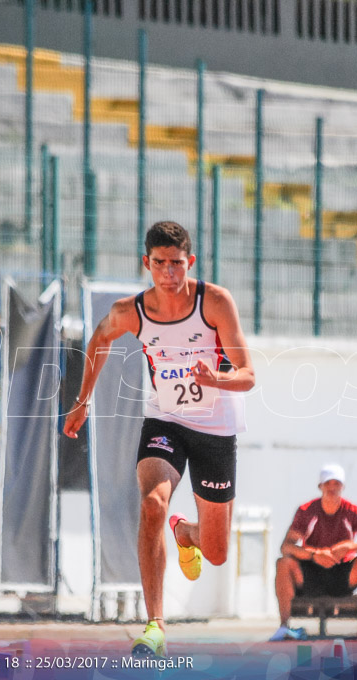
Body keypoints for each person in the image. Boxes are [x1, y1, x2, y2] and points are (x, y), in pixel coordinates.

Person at [63, 222, 255, 657]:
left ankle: (186, 534)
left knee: (218, 552)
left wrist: (217, 379)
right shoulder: (132, 310)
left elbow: (249, 376)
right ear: (145, 264)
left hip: (215, 427)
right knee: (151, 504)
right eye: (159, 263)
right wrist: (83, 400)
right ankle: (155, 626)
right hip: (165, 420)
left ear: (190, 263)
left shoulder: (216, 302)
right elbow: (99, 339)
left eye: (176, 264)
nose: (168, 272)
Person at [271, 463, 357, 643]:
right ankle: (284, 626)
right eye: (328, 483)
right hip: (311, 573)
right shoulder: (307, 510)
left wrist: (349, 546)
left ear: (342, 486)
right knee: (283, 562)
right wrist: (314, 554)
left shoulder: (353, 511)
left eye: (336, 483)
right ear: (320, 486)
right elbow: (286, 546)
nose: (332, 487)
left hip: (342, 575)